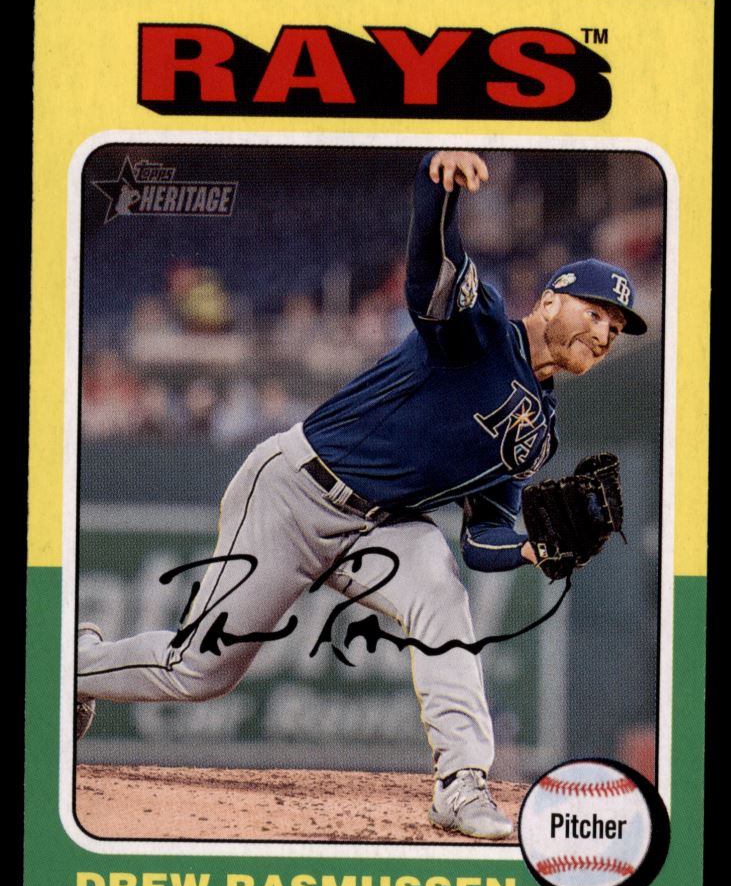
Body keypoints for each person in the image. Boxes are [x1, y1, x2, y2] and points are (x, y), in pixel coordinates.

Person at [77, 150, 647, 840]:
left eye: (615, 327)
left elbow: (482, 536)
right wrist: (437, 188)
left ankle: (462, 783)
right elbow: (432, 270)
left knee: (441, 594)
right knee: (200, 672)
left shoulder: (537, 432)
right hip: (295, 490)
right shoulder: (482, 331)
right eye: (596, 312)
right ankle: (77, 666)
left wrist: (530, 546)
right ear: (550, 300)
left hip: (382, 527)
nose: (604, 333)